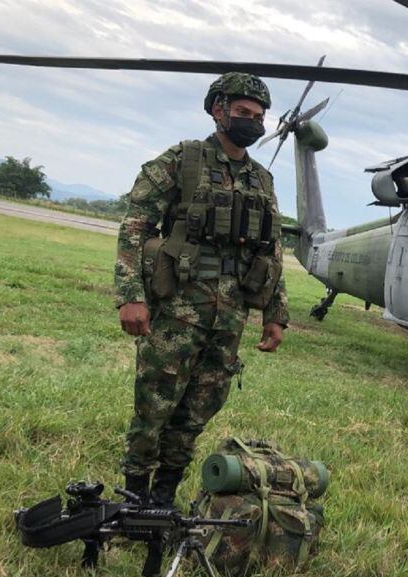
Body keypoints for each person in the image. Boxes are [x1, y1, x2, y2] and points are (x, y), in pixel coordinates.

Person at [115, 72, 289, 508]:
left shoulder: (261, 181)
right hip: (178, 307)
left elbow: (272, 250)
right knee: (154, 404)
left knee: (199, 409)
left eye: (259, 116)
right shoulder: (182, 161)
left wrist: (275, 314)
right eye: (243, 113)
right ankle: (134, 495)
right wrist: (130, 295)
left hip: (230, 315)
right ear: (218, 111)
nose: (252, 122)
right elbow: (135, 226)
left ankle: (163, 497)